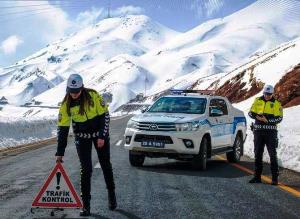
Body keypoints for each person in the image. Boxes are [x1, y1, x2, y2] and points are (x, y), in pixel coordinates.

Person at [55, 74, 117, 216]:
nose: (74, 94)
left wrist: (102, 136)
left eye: (77, 91)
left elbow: (105, 116)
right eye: (71, 91)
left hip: (99, 136)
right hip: (82, 138)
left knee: (105, 164)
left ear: (82, 88)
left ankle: (111, 194)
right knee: (86, 169)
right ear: (67, 89)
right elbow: (62, 130)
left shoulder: (93, 95)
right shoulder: (66, 105)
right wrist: (60, 152)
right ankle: (86, 205)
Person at [248, 85, 283, 185]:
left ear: (272, 94)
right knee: (257, 154)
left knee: (272, 154)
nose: (267, 96)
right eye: (266, 94)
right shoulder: (257, 100)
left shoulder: (276, 104)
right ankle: (257, 177)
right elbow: (250, 113)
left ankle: (275, 179)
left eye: (269, 94)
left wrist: (267, 120)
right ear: (263, 93)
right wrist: (257, 117)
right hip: (258, 132)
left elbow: (279, 118)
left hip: (271, 133)